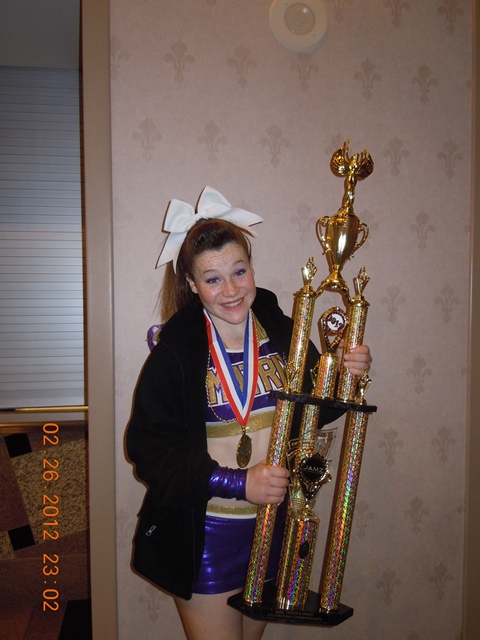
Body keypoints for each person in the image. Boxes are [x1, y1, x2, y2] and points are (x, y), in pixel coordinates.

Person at [126, 186, 372, 640]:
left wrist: (343, 373)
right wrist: (239, 483)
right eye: (213, 279)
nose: (231, 289)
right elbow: (151, 452)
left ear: (252, 267)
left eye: (239, 271)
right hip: (207, 537)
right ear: (191, 284)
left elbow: (315, 413)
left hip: (272, 529)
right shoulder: (175, 353)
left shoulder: (282, 331)